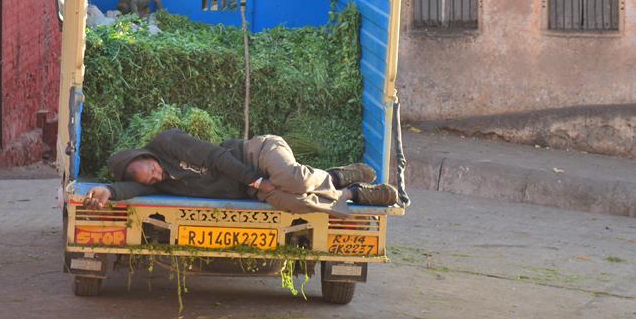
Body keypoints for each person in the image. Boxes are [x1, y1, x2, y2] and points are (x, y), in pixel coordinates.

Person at [81, 128, 398, 218]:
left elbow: (218, 157)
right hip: (250, 187)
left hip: (255, 157)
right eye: (149, 179)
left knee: (295, 180)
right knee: (299, 204)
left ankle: (337, 176)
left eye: (149, 168)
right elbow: (131, 190)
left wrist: (258, 178)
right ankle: (351, 193)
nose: (155, 176)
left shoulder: (167, 142)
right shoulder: (157, 185)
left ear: (145, 155)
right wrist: (109, 191)